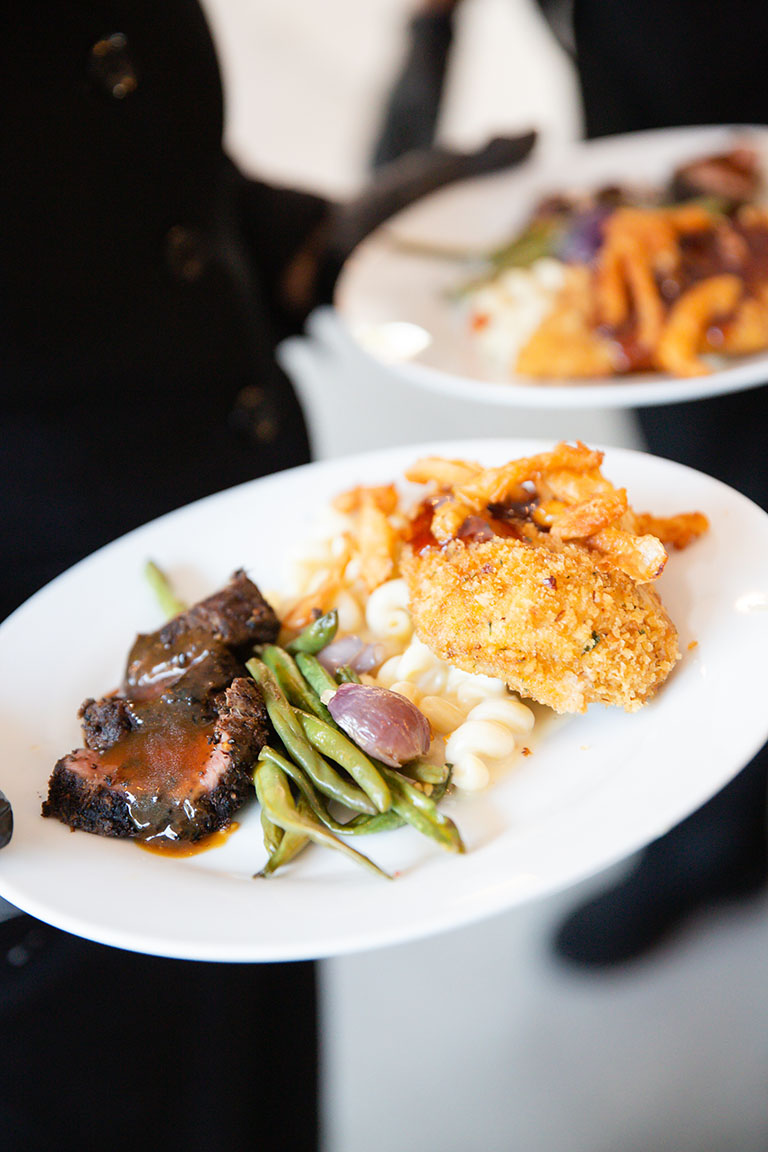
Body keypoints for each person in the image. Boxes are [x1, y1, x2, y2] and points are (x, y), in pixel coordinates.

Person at [370, 0, 768, 965]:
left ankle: (717, 832)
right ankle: (717, 830)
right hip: (648, 44)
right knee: (699, 462)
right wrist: (427, 35)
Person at [0, 3, 326, 1148]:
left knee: (261, 1070)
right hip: (28, 731)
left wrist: (287, 239)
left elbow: (120, 179)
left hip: (241, 572)